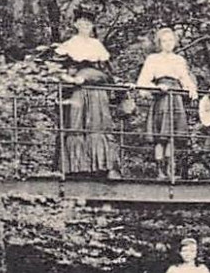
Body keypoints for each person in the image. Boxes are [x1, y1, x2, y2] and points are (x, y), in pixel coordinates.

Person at [52, 15, 119, 176]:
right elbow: (54, 68)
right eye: (82, 23)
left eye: (89, 23)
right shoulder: (69, 45)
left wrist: (90, 76)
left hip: (97, 92)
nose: (85, 26)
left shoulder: (97, 46)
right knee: (75, 124)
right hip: (78, 91)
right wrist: (69, 79)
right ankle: (74, 167)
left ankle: (101, 166)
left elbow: (108, 73)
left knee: (98, 125)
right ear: (76, 24)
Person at [135, 27, 199, 180]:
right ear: (159, 43)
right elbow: (143, 81)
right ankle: (160, 171)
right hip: (162, 97)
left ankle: (171, 171)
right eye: (164, 40)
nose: (168, 43)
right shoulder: (153, 59)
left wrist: (191, 89)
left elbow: (185, 79)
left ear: (175, 42)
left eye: (171, 40)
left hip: (175, 97)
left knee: (172, 136)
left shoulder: (179, 60)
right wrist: (157, 87)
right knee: (161, 137)